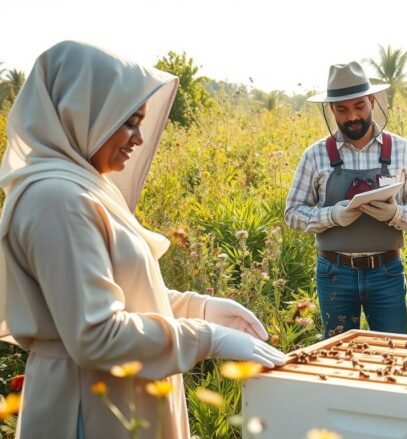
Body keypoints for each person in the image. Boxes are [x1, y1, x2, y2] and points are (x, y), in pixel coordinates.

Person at [0, 41, 287, 439]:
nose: (138, 138)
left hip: (119, 399)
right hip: (89, 407)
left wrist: (197, 309)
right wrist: (206, 338)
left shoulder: (85, 188)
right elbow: (96, 335)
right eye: (129, 121)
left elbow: (123, 292)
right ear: (82, 112)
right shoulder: (59, 200)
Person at [284, 61, 407, 338]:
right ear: (331, 110)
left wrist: (395, 214)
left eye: (359, 106)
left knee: (393, 352)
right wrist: (331, 216)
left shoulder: (402, 150)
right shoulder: (315, 155)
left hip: (386, 272)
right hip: (334, 273)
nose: (352, 116)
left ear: (373, 101)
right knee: (338, 357)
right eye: (342, 109)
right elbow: (292, 212)